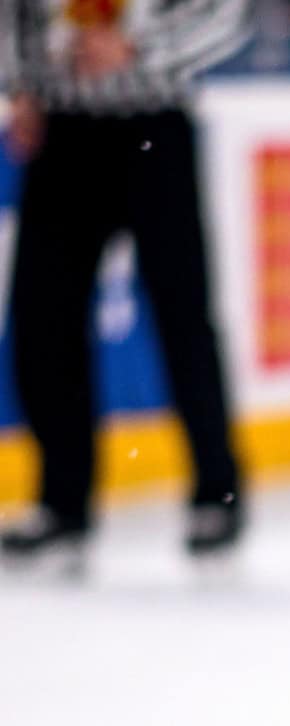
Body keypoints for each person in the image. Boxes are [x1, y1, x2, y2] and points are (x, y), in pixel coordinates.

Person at [0, 0, 252, 575]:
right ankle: (62, 507)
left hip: (153, 125)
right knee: (45, 322)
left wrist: (138, 47)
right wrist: (20, 87)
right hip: (63, 132)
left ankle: (217, 493)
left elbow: (228, 17)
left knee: (182, 314)